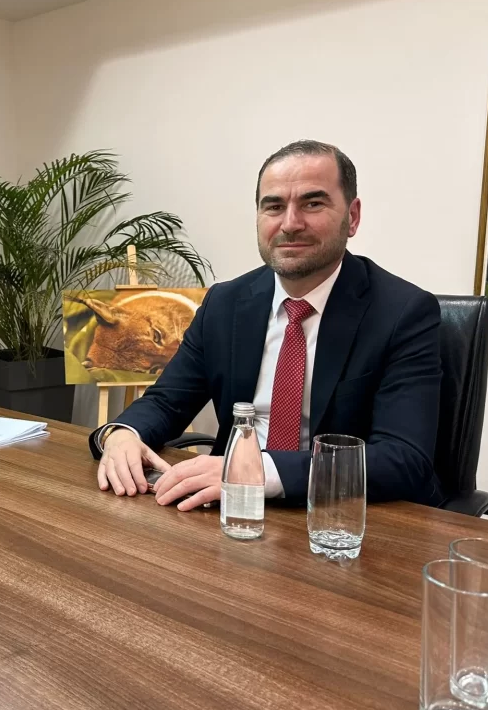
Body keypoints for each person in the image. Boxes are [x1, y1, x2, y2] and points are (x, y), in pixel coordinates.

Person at [90, 140, 444, 509]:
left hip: (338, 517)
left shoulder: (403, 312)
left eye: (313, 203)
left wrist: (259, 472)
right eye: (273, 206)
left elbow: (403, 458)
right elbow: (166, 402)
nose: (290, 224)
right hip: (227, 510)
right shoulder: (224, 303)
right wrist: (122, 434)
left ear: (352, 217)